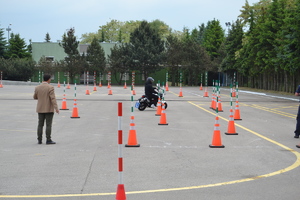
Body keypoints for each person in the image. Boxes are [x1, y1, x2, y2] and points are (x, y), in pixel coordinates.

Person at [33, 74, 59, 144]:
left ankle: (39, 139)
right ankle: (48, 139)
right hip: (48, 109)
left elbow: (35, 97)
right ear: (48, 79)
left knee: (40, 124)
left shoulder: (37, 87)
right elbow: (53, 98)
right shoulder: (50, 87)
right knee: (48, 124)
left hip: (40, 108)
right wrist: (56, 108)